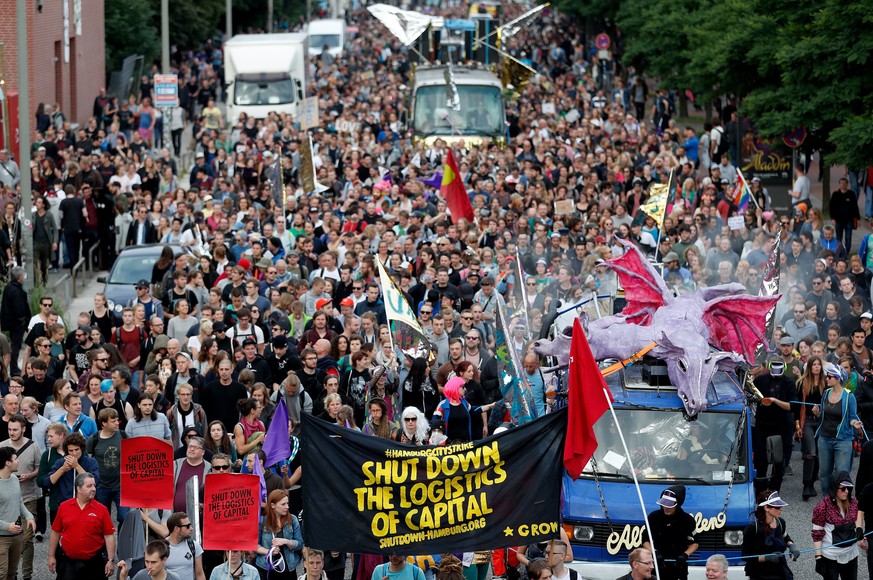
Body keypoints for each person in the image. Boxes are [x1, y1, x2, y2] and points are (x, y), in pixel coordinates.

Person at [48, 472, 116, 580]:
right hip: (68, 562)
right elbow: (55, 532)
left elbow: (109, 536)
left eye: (94, 485)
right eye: (89, 486)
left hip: (94, 563)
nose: (93, 488)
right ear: (78, 489)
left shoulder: (102, 509)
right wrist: (51, 556)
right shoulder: (64, 507)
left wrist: (111, 560)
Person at [0, 414, 41, 580]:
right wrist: (7, 526)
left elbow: (19, 502)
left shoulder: (33, 446)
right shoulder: (2, 447)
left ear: (23, 429)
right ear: (8, 462)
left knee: (25, 542)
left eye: (15, 429)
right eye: (9, 429)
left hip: (27, 499)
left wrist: (29, 516)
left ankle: (27, 575)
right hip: (2, 533)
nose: (11, 432)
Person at [812, 363, 863, 493]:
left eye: (830, 377)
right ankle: (826, 502)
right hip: (824, 438)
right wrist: (817, 413)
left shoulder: (849, 396)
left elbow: (852, 416)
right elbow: (823, 415)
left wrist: (855, 423)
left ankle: (841, 503)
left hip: (843, 439)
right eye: (827, 376)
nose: (827, 379)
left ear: (838, 378)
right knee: (824, 475)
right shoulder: (826, 393)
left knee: (842, 474)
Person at [752, 359, 795, 493]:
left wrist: (774, 400)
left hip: (780, 426)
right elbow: (750, 395)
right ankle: (760, 491)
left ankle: (774, 491)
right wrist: (760, 400)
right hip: (762, 424)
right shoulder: (760, 380)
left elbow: (792, 406)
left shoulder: (789, 383)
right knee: (760, 459)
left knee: (778, 460)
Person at [641, 486, 697, 580]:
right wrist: (655, 553)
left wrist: (684, 555)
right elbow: (645, 541)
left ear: (678, 504)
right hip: (656, 567)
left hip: (679, 568)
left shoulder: (688, 520)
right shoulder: (653, 518)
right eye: (664, 504)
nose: (666, 508)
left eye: (670, 505)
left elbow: (695, 543)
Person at [812, 471, 861, 580]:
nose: (847, 491)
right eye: (843, 489)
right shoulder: (822, 506)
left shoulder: (853, 502)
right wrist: (818, 557)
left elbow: (858, 516)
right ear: (834, 488)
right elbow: (817, 533)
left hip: (851, 553)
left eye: (849, 488)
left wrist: (859, 529)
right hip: (831, 555)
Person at [741, 490, 800, 579]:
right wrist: (767, 558)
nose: (781, 509)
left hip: (779, 571)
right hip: (760, 574)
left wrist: (791, 545)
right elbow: (745, 555)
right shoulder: (752, 529)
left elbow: (784, 535)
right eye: (777, 507)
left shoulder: (781, 522)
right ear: (766, 508)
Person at [255, 490, 304, 580]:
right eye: (283, 504)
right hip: (266, 569)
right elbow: (255, 545)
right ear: (273, 505)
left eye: (287, 503)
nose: (287, 507)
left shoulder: (293, 519)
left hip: (288, 569)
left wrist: (286, 541)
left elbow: (300, 544)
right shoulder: (262, 521)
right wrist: (269, 552)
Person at [430, 377, 496, 443]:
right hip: (449, 445)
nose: (465, 389)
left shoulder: (464, 403)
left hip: (465, 442)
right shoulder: (443, 405)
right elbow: (434, 423)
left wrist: (490, 406)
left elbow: (474, 410)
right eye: (462, 387)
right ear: (455, 387)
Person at [0, 268, 30, 375]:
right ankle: (13, 369)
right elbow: (19, 309)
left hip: (10, 322)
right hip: (17, 324)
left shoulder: (9, 287)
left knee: (14, 345)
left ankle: (13, 367)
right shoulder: (16, 291)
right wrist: (24, 320)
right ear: (19, 277)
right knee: (15, 346)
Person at [164, 512, 207, 580]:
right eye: (188, 526)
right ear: (177, 529)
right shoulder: (161, 547)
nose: (191, 528)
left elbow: (200, 574)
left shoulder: (194, 546)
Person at [118, 539, 182, 580]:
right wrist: (123, 575)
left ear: (164, 560)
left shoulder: (174, 578)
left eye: (153, 562)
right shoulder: (141, 576)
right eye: (147, 561)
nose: (149, 566)